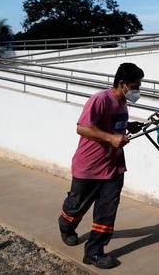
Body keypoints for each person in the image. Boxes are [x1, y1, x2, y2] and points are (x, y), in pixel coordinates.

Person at [58, 63, 145, 269]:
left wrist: (127, 127)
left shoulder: (123, 102)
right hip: (89, 166)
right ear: (122, 84)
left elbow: (113, 125)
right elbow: (82, 128)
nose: (137, 91)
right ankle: (66, 225)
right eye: (135, 86)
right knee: (76, 205)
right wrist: (111, 137)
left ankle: (94, 252)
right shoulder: (100, 99)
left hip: (113, 166)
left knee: (107, 211)